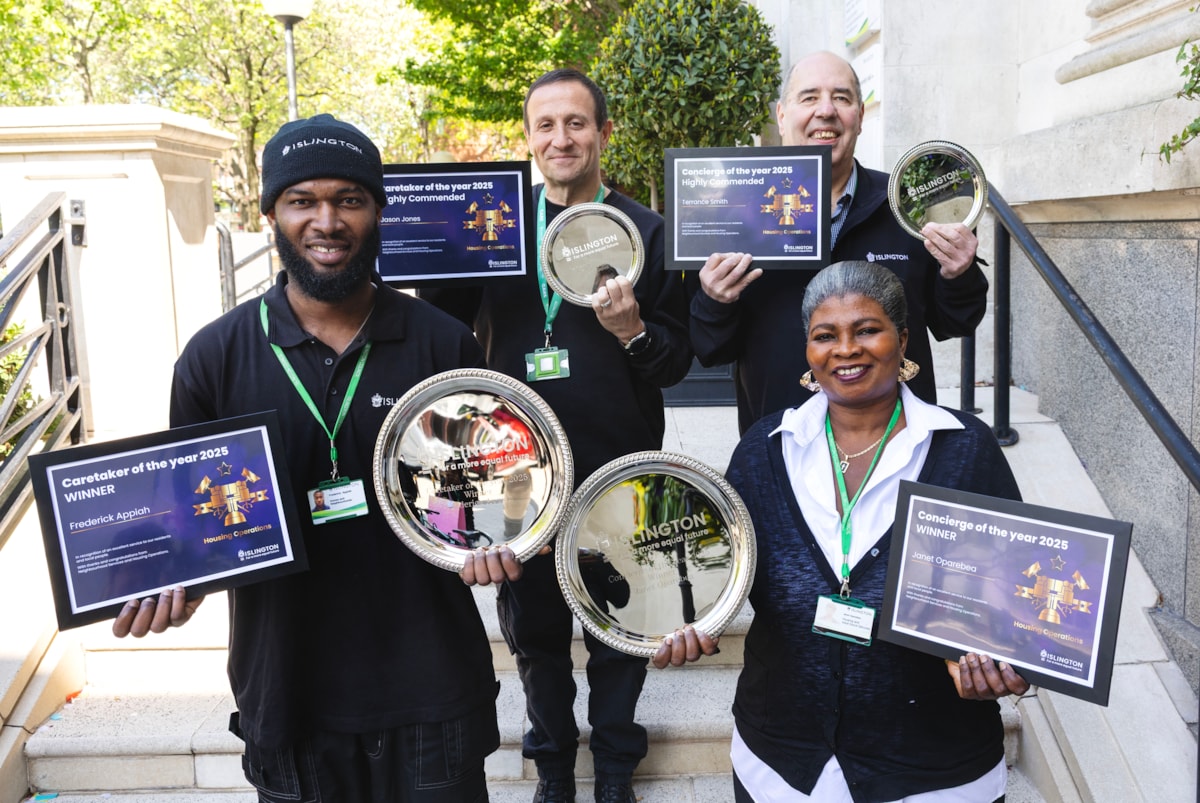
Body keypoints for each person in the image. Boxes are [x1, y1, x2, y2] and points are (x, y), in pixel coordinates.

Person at [111, 114, 521, 802]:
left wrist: (496, 541)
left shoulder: (443, 343)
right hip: (288, 695)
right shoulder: (214, 358)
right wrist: (178, 587)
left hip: (431, 691)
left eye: (349, 199)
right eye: (303, 200)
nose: (326, 221)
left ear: (378, 211)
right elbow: (200, 528)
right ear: (271, 211)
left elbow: (489, 495)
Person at [658, 260, 1028, 801]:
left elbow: (1016, 600)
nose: (846, 349)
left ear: (903, 341)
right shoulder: (765, 449)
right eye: (825, 335)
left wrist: (1010, 663)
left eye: (867, 330)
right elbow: (723, 576)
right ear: (807, 350)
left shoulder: (964, 448)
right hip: (781, 766)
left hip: (934, 770)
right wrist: (690, 621)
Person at [421, 69, 692, 803]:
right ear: (530, 138)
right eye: (546, 125)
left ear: (603, 134)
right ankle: (552, 772)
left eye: (576, 123)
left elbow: (676, 360)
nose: (560, 138)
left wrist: (631, 330)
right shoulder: (498, 225)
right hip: (516, 472)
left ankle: (612, 774)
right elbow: (438, 326)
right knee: (535, 634)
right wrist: (431, 245)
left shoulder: (648, 232)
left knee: (620, 627)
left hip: (619, 465)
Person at [690, 51, 991, 435]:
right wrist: (715, 302)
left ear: (861, 117)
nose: (826, 110)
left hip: (896, 444)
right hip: (779, 440)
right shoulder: (734, 213)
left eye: (842, 98)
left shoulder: (907, 206)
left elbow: (956, 322)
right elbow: (710, 348)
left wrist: (959, 273)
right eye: (810, 97)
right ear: (782, 116)